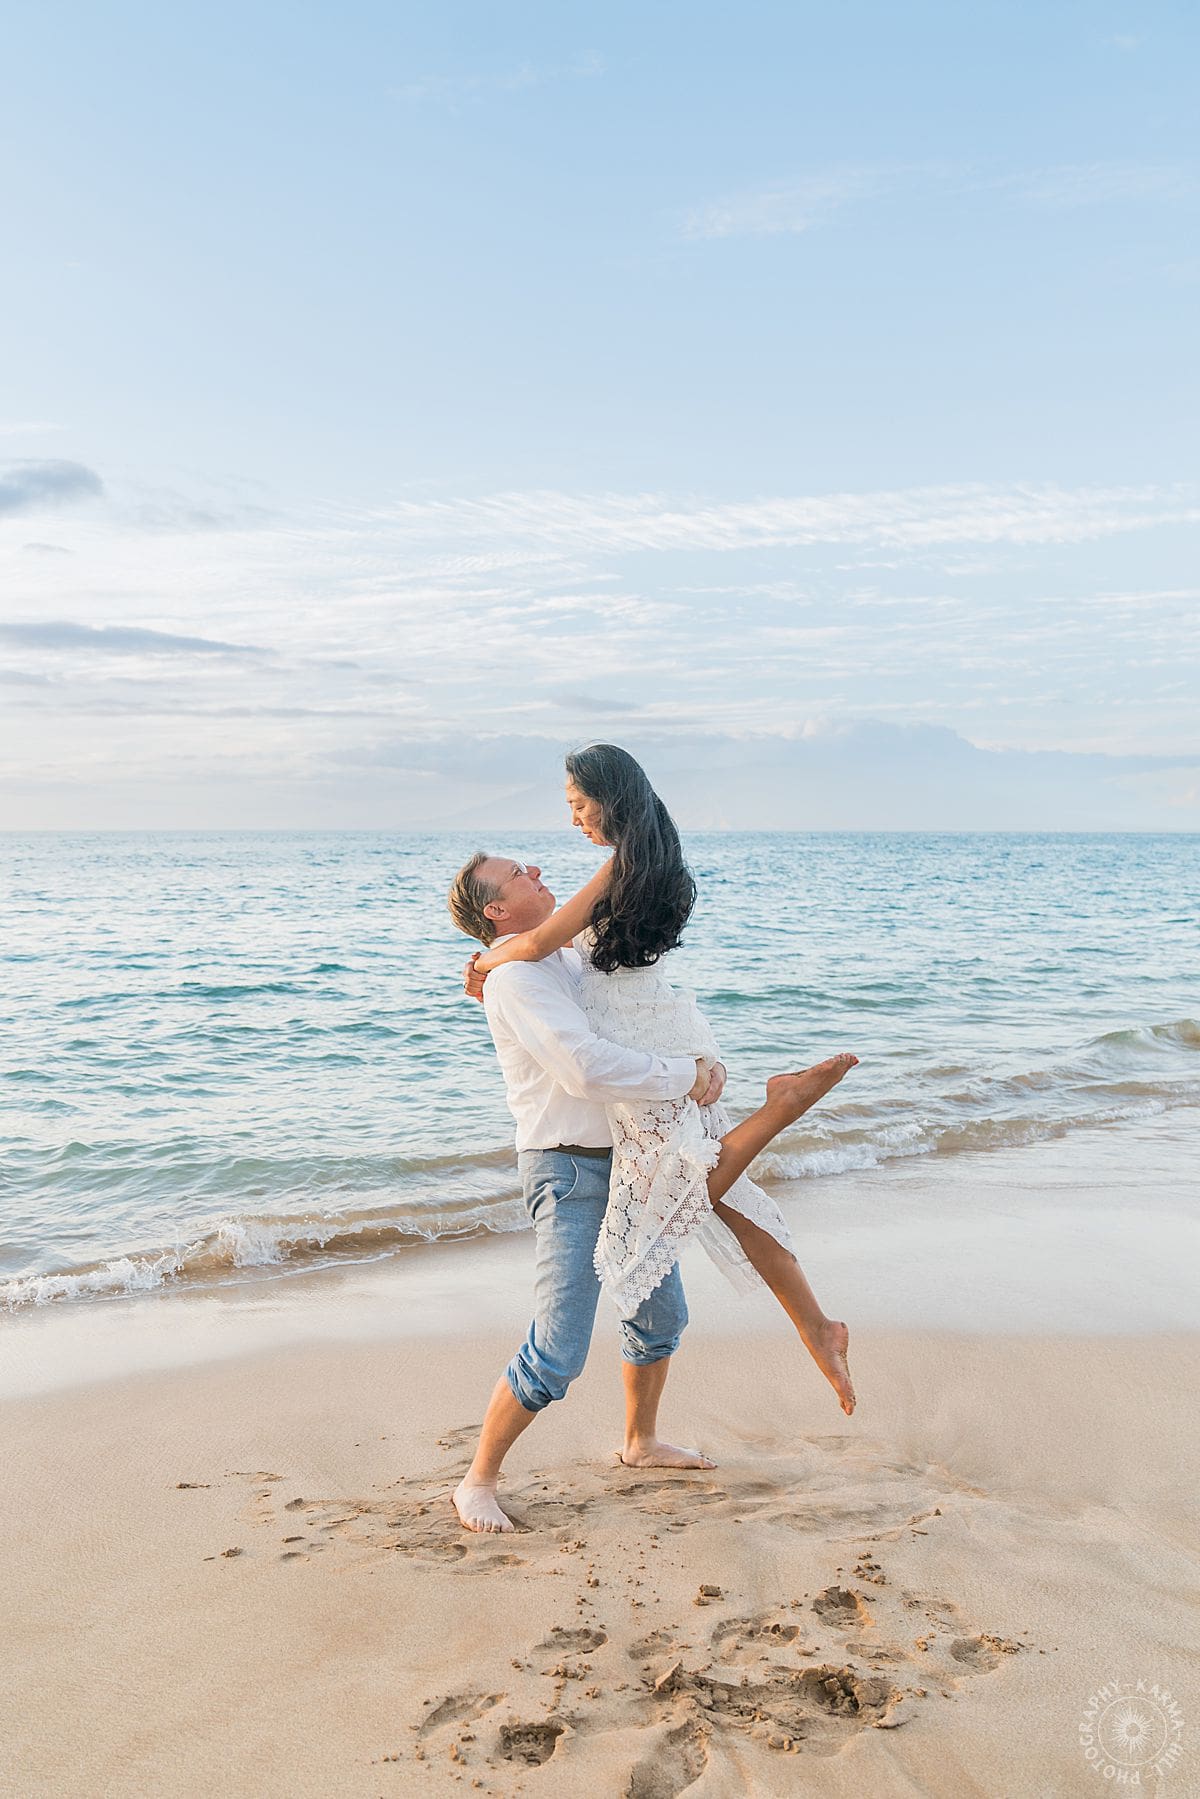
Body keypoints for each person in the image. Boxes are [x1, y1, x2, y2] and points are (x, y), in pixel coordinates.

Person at [468, 744, 858, 1421]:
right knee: (721, 1192)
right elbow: (556, 961)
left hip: (648, 1044)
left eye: (578, 805)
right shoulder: (652, 859)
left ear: (608, 799)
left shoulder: (618, 869)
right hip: (666, 1030)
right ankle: (817, 1327)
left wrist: (491, 959)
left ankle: (780, 1108)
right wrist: (494, 976)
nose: (572, 821)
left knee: (698, 1186)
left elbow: (537, 948)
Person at [446, 852, 728, 1533]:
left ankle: (639, 1443)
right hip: (568, 1169)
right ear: (496, 909)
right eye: (519, 871)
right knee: (559, 1347)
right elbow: (584, 1068)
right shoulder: (514, 977)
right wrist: (681, 1074)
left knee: (661, 1315)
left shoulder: (562, 958)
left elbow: (626, 990)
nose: (537, 868)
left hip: (630, 1159)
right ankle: (476, 1480)